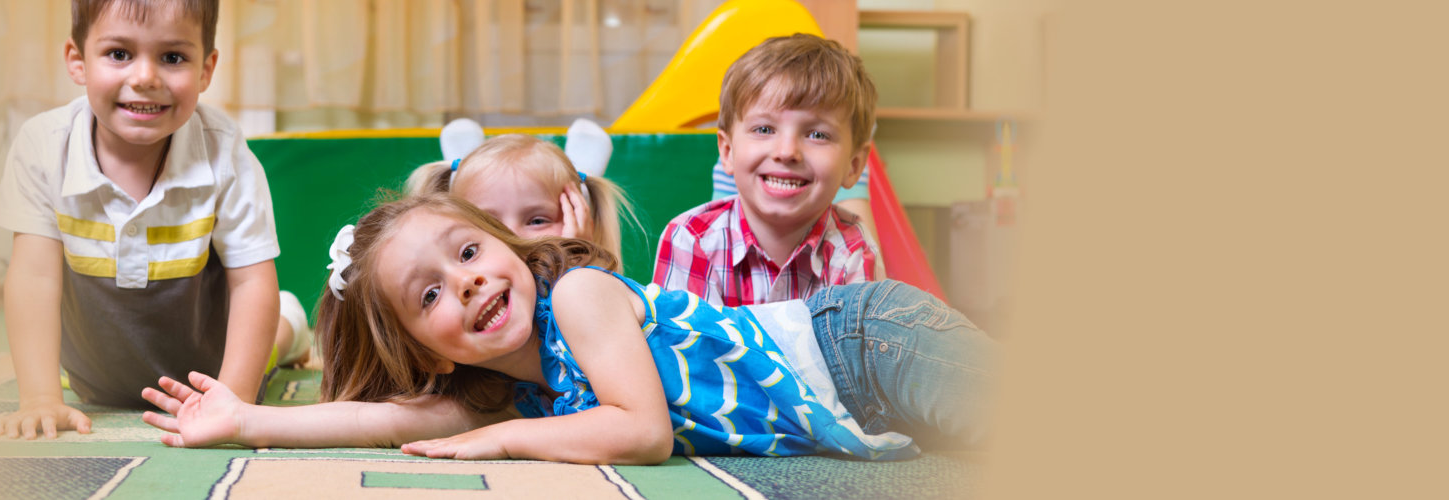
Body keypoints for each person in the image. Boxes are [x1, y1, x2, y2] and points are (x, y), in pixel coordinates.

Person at [139, 194, 994, 464]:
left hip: (862, 339)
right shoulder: (512, 387)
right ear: (423, 350)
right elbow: (381, 419)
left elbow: (644, 431)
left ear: (510, 243)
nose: (469, 281)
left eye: (470, 250)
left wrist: (505, 445)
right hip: (855, 396)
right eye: (430, 296)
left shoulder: (580, 297)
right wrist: (245, 419)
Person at [0, 0, 299, 439]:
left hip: (206, 371)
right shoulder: (43, 146)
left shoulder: (224, 151)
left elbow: (250, 282)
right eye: (119, 54)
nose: (146, 77)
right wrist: (40, 397)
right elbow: (34, 278)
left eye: (173, 58)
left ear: (207, 69)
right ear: (78, 62)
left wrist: (235, 399)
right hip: (94, 377)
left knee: (273, 337)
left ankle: (293, 324)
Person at [656, 33, 886, 308]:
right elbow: (685, 347)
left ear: (854, 166)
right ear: (727, 152)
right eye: (764, 129)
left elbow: (851, 349)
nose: (787, 151)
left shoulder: (854, 251)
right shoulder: (691, 239)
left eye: (817, 134)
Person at [405, 119, 635, 268]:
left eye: (537, 221)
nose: (510, 236)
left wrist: (575, 266)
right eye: (487, 221)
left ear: (579, 220)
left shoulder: (602, 297)